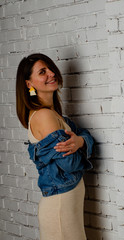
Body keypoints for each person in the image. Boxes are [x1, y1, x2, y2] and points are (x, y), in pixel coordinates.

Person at [16, 53, 94, 240]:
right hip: (60, 208)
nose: (51, 73)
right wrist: (82, 143)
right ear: (29, 84)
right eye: (43, 72)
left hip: (67, 205)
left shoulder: (56, 115)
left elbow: (84, 136)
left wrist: (81, 142)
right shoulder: (44, 116)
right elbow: (71, 164)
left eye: (50, 68)